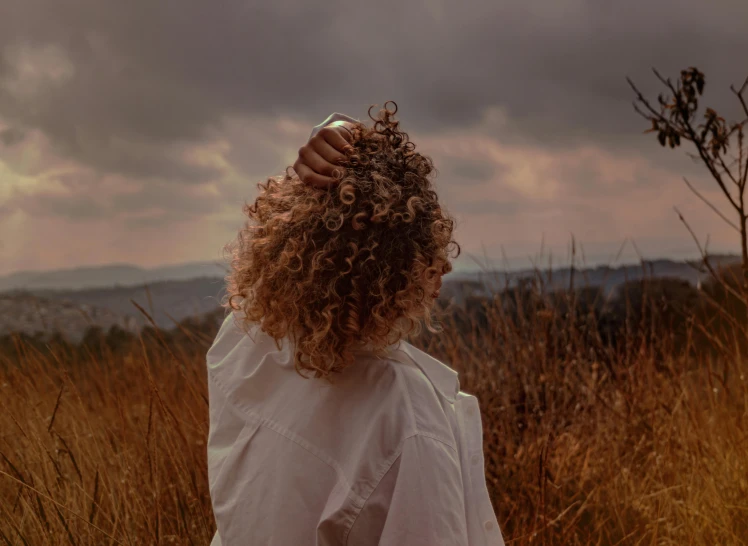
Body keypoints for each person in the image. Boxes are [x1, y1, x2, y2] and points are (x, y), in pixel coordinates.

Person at [206, 102, 505, 545]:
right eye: (423, 249)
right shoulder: (405, 418)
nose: (442, 267)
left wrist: (335, 139)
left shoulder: (253, 347)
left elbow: (294, 257)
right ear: (386, 271)